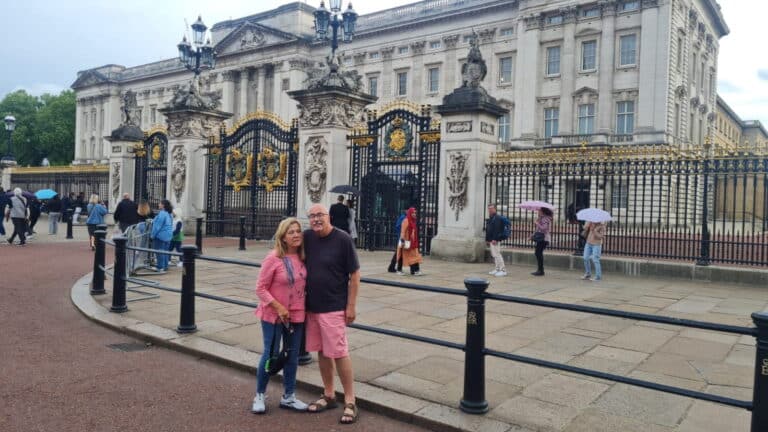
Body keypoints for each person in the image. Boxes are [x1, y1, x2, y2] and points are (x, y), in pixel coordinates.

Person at [303, 204, 360, 425]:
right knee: (322, 352)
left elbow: (354, 275)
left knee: (339, 352)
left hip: (335, 305)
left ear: (329, 217)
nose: (316, 219)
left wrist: (351, 306)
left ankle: (350, 400)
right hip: (312, 306)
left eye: (320, 215)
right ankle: (329, 394)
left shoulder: (343, 239)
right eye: (312, 216)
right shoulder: (307, 237)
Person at [251, 217, 309, 414]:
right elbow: (260, 288)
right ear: (283, 237)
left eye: (298, 231)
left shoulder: (302, 257)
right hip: (274, 314)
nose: (295, 235)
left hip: (297, 313)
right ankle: (259, 394)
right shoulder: (273, 258)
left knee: (292, 356)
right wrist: (278, 306)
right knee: (271, 354)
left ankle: (289, 396)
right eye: (291, 232)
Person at [396, 207, 424, 276]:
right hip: (406, 241)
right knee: (403, 256)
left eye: (415, 213)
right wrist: (402, 239)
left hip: (412, 242)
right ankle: (400, 269)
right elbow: (403, 231)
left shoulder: (413, 221)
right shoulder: (406, 220)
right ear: (410, 213)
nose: (414, 214)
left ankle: (415, 270)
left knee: (414, 256)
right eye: (413, 213)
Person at [151, 200, 173, 273]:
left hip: (160, 235)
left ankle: (160, 267)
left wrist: (152, 235)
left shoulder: (162, 213)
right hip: (168, 235)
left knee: (159, 252)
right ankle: (165, 266)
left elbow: (157, 226)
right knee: (165, 252)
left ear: (163, 205)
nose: (158, 204)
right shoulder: (169, 213)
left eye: (160, 203)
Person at [485, 204, 507, 277]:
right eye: (489, 209)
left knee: (497, 254)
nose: (490, 210)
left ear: (495, 209)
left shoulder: (497, 218)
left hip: (495, 239)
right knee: (494, 255)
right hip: (492, 239)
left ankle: (503, 270)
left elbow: (497, 230)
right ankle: (497, 269)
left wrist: (495, 239)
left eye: (491, 208)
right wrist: (488, 239)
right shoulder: (491, 217)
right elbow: (489, 229)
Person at [532, 207, 553, 276]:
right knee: (538, 253)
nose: (538, 212)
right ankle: (540, 270)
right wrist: (531, 236)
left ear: (543, 212)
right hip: (541, 238)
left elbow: (544, 229)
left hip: (544, 239)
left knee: (538, 253)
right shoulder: (541, 218)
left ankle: (541, 270)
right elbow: (538, 229)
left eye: (539, 211)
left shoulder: (545, 219)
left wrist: (537, 223)